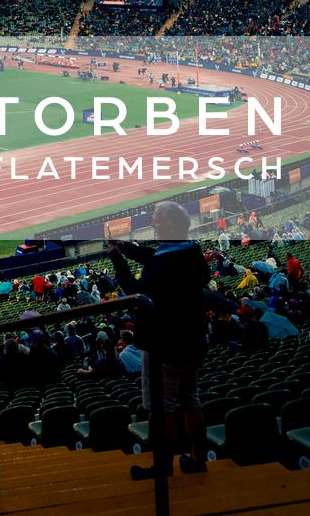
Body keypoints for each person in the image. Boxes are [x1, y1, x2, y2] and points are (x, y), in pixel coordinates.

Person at [108, 201, 215, 475]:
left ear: (169, 225)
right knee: (191, 402)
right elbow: (159, 257)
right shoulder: (192, 251)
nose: (154, 223)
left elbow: (134, 289)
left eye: (157, 219)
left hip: (165, 345)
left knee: (162, 409)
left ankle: (163, 467)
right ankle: (198, 460)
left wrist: (117, 258)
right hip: (193, 340)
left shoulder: (162, 263)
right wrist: (128, 248)